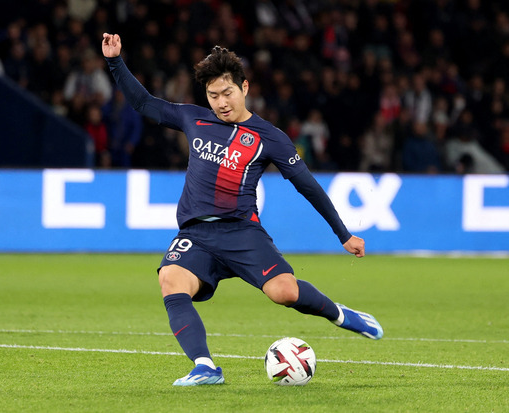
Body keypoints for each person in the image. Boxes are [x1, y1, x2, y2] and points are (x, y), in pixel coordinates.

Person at [102, 32, 383, 387]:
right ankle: (205, 366)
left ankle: (343, 315)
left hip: (241, 232)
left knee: (284, 292)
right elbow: (143, 103)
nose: (220, 102)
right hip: (196, 234)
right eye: (213, 95)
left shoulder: (270, 137)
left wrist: (343, 234)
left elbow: (307, 185)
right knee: (170, 280)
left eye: (227, 93)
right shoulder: (193, 119)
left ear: (245, 87)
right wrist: (115, 61)